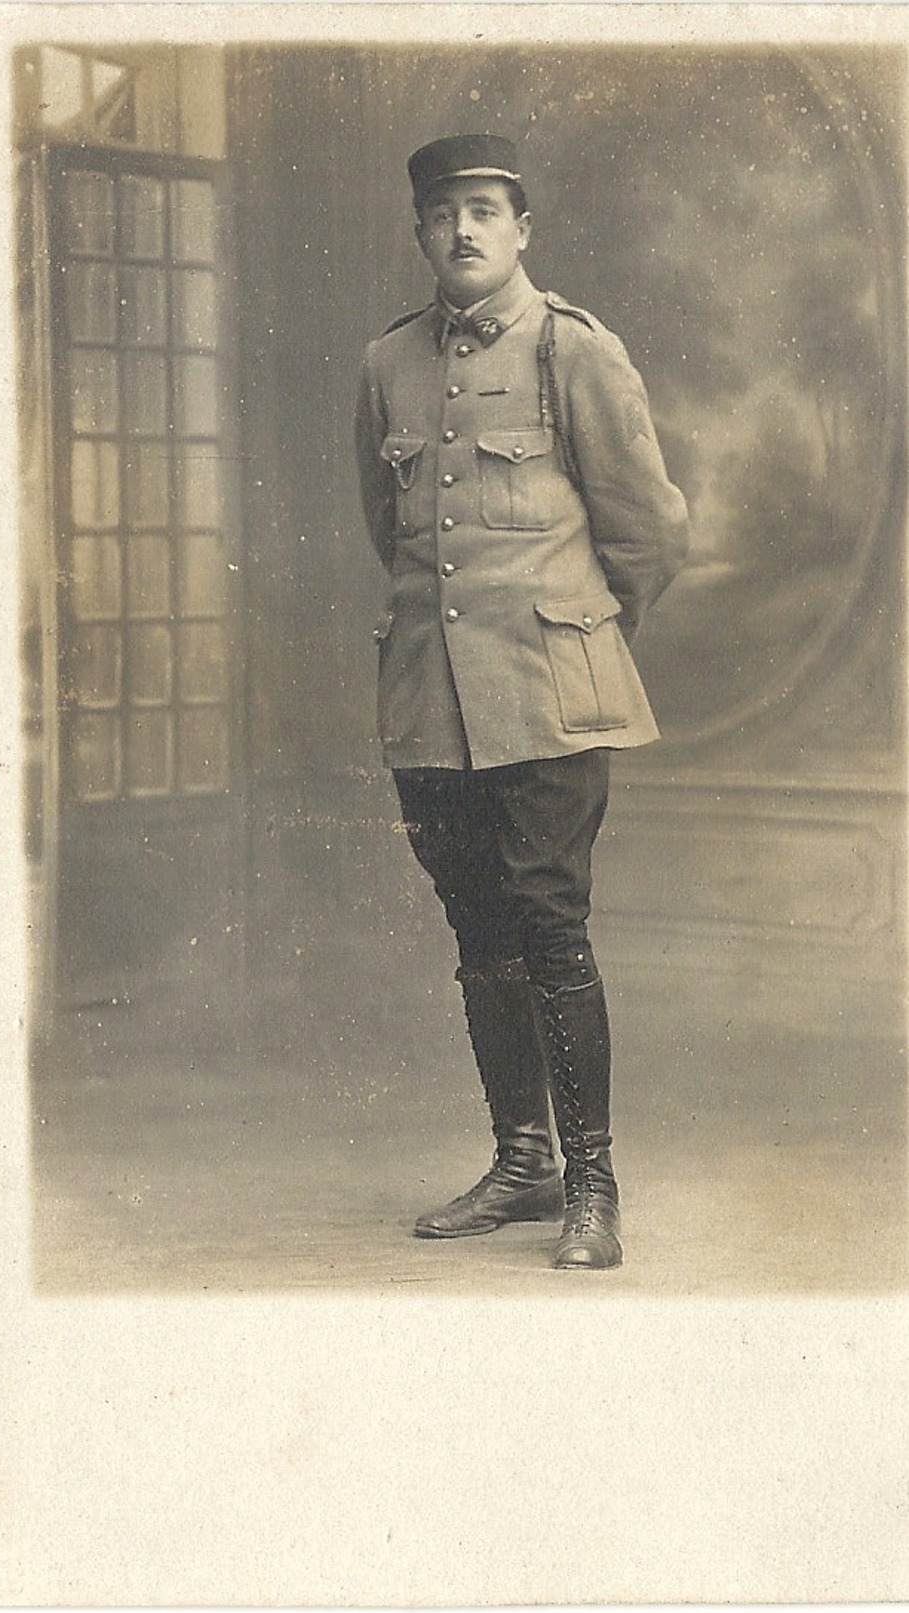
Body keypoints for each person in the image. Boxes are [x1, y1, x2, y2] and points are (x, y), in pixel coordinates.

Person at [354, 134, 689, 1269]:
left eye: (486, 209)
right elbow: (391, 532)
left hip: (548, 694)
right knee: (478, 933)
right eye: (444, 211)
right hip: (429, 705)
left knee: (549, 930)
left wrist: (581, 635)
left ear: (522, 228)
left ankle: (592, 1182)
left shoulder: (574, 350)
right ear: (420, 231)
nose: (464, 230)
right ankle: (521, 1161)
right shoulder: (388, 363)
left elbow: (646, 532)